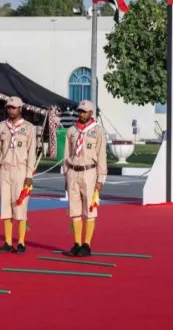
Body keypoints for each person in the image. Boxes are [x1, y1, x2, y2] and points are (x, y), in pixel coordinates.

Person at [62, 100, 107, 258]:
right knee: (74, 210)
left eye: (84, 111)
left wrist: (101, 179)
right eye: (80, 111)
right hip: (73, 171)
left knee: (89, 209)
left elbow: (101, 156)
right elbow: (67, 154)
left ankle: (86, 244)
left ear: (91, 113)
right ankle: (77, 243)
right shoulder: (72, 131)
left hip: (89, 171)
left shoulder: (97, 131)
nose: (81, 114)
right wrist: (66, 175)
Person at [0, 97, 36, 253]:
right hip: (5, 169)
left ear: (20, 109)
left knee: (20, 205)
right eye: (9, 107)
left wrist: (29, 174)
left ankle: (21, 242)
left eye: (14, 108)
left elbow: (31, 153)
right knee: (5, 206)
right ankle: (8, 242)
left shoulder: (29, 128)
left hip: (21, 169)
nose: (11, 110)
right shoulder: (1, 127)